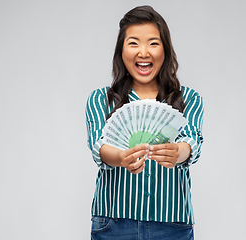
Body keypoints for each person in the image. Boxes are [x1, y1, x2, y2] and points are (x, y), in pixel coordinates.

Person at [85, 5, 204, 240]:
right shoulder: (101, 100)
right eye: (133, 43)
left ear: (165, 50)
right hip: (113, 222)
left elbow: (192, 141)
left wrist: (178, 152)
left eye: (153, 43)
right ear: (121, 51)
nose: (143, 52)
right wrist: (120, 158)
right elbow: (98, 146)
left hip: (172, 224)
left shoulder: (189, 99)